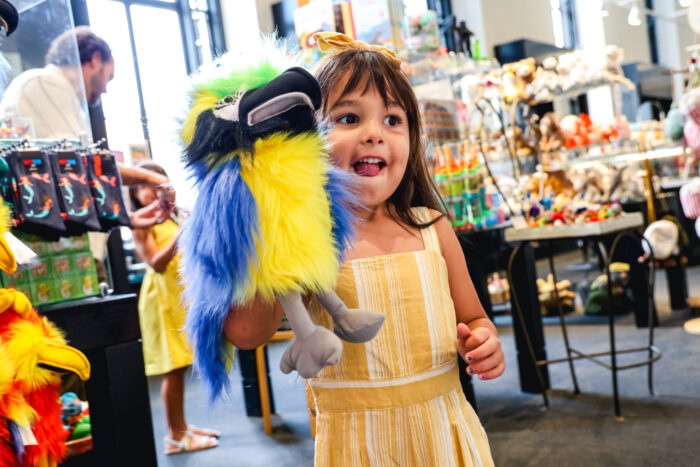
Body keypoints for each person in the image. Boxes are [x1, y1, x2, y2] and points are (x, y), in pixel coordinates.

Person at [224, 33, 504, 465]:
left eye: (393, 120)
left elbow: (474, 317)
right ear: (302, 140)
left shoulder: (432, 228)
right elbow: (246, 334)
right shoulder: (306, 241)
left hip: (445, 439)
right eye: (348, 118)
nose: (374, 133)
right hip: (356, 447)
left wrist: (484, 341)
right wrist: (268, 233)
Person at [129, 161, 219, 455]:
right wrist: (183, 234)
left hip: (178, 297)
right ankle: (174, 436)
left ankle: (182, 426)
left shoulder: (170, 217)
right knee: (173, 368)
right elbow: (155, 263)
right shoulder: (141, 224)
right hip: (160, 300)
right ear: (136, 192)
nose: (153, 191)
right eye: (145, 186)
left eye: (159, 183)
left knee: (181, 364)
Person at [0, 26, 113, 139]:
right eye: (109, 77)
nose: (105, 89)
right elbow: (73, 151)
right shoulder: (45, 83)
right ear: (96, 59)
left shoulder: (61, 93)